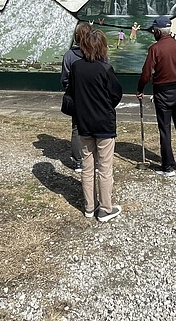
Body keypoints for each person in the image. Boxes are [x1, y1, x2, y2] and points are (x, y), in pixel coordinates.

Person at [67, 29, 124, 222]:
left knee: (87, 166)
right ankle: (105, 209)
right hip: (104, 124)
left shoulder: (76, 68)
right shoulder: (105, 69)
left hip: (84, 123)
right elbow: (116, 93)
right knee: (105, 168)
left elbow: (71, 92)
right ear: (102, 47)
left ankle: (89, 207)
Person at [136, 15, 176, 177]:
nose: (153, 32)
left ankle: (167, 166)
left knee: (165, 129)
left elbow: (146, 73)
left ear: (159, 32)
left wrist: (140, 89)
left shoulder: (155, 49)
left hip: (163, 92)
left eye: (154, 30)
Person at [60, 22, 92, 172]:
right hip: (95, 96)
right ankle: (94, 160)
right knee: (95, 128)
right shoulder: (98, 52)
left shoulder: (70, 55)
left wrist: (70, 90)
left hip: (76, 96)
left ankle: (79, 161)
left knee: (76, 128)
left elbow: (65, 78)